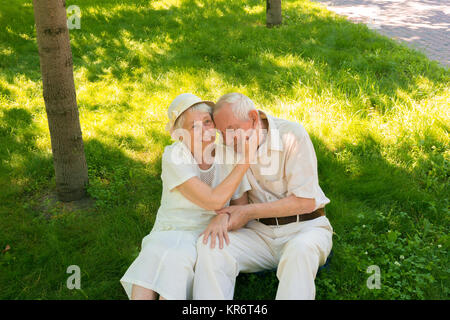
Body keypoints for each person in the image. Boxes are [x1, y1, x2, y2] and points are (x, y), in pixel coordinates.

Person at [193, 92, 333, 300]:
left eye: (232, 129)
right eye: (222, 133)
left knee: (299, 251)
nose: (228, 140)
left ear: (253, 117)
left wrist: (248, 212)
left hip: (305, 228)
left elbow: (305, 201)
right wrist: (224, 215)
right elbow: (235, 198)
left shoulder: (292, 135)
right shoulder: (229, 147)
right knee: (210, 245)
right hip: (259, 235)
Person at [120, 93, 253, 300]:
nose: (204, 130)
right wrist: (245, 162)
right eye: (194, 126)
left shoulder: (228, 157)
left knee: (178, 258)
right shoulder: (174, 156)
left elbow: (241, 208)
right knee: (155, 251)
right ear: (181, 134)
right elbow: (212, 200)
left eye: (207, 122)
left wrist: (223, 217)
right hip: (170, 228)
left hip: (205, 233)